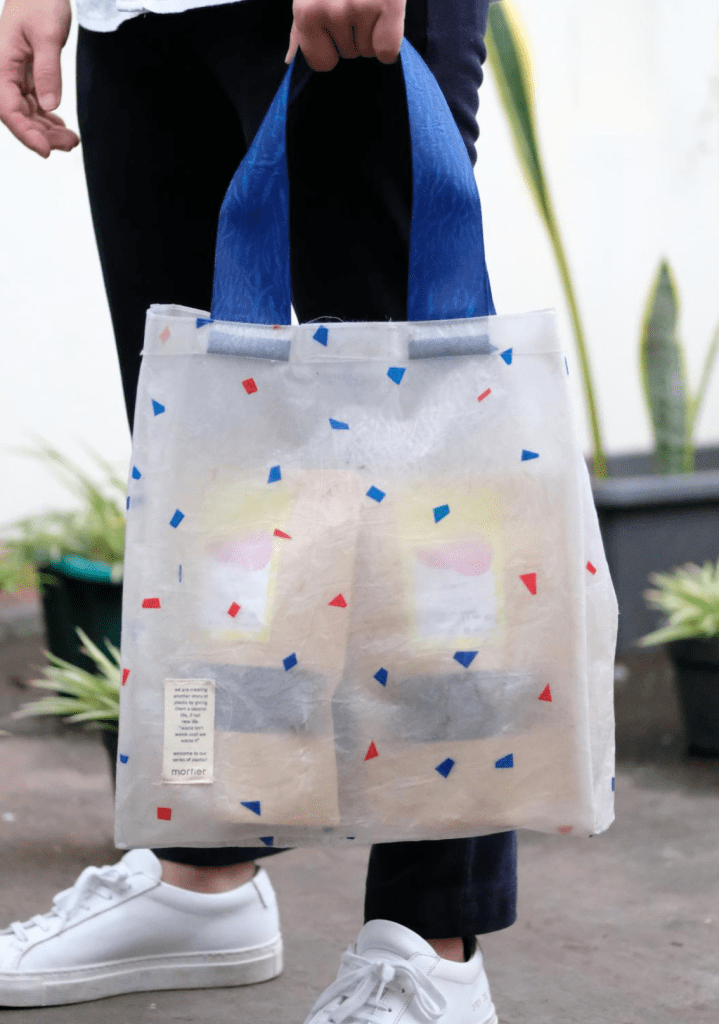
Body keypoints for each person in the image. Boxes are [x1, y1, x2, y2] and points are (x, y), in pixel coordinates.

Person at [0, 0, 516, 1019]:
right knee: (198, 473)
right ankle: (203, 871)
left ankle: (431, 942)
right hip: (133, 17)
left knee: (416, 477)